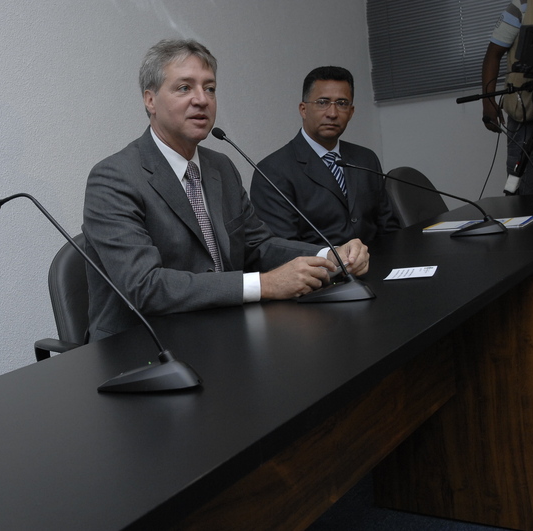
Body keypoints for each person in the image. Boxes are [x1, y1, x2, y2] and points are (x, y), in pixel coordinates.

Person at [82, 40, 369, 341]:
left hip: (223, 329)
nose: (201, 100)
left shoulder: (220, 166)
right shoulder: (114, 178)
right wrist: (265, 284)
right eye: (184, 88)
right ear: (150, 100)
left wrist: (329, 255)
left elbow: (258, 246)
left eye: (210, 88)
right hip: (143, 345)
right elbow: (146, 287)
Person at [250, 66, 399, 245]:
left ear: (351, 112)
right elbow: (283, 247)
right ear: (303, 109)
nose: (332, 113)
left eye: (342, 103)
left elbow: (388, 227)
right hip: (321, 263)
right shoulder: (272, 171)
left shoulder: (365, 158)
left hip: (378, 259)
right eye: (322, 102)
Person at [481, 0, 533, 195]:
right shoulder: (522, 6)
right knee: (521, 192)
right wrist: (488, 102)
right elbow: (493, 53)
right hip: (527, 112)